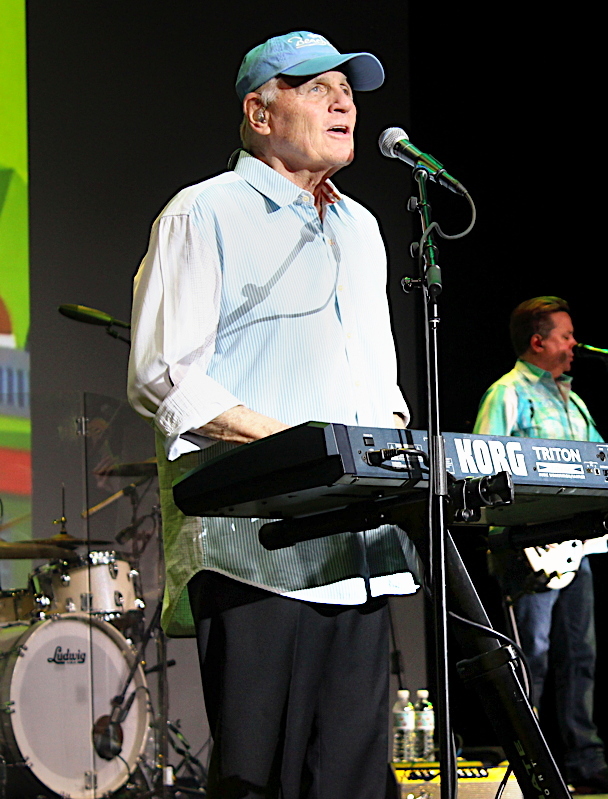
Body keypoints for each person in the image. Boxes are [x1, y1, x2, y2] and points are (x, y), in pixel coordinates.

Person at [128, 31, 420, 799]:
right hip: (258, 552)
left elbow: (377, 379)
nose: (343, 100)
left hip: (359, 553)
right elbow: (164, 374)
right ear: (260, 113)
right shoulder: (203, 213)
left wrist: (395, 462)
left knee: (353, 783)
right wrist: (299, 449)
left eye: (348, 89)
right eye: (315, 87)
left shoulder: (362, 229)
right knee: (265, 781)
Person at [474, 296, 608, 794]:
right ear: (538, 341)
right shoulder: (508, 394)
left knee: (579, 657)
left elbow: (605, 469)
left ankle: (584, 763)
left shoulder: (573, 401)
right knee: (530, 657)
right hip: (530, 549)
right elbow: (481, 468)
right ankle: (523, 767)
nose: (575, 344)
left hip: (578, 550)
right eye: (566, 335)